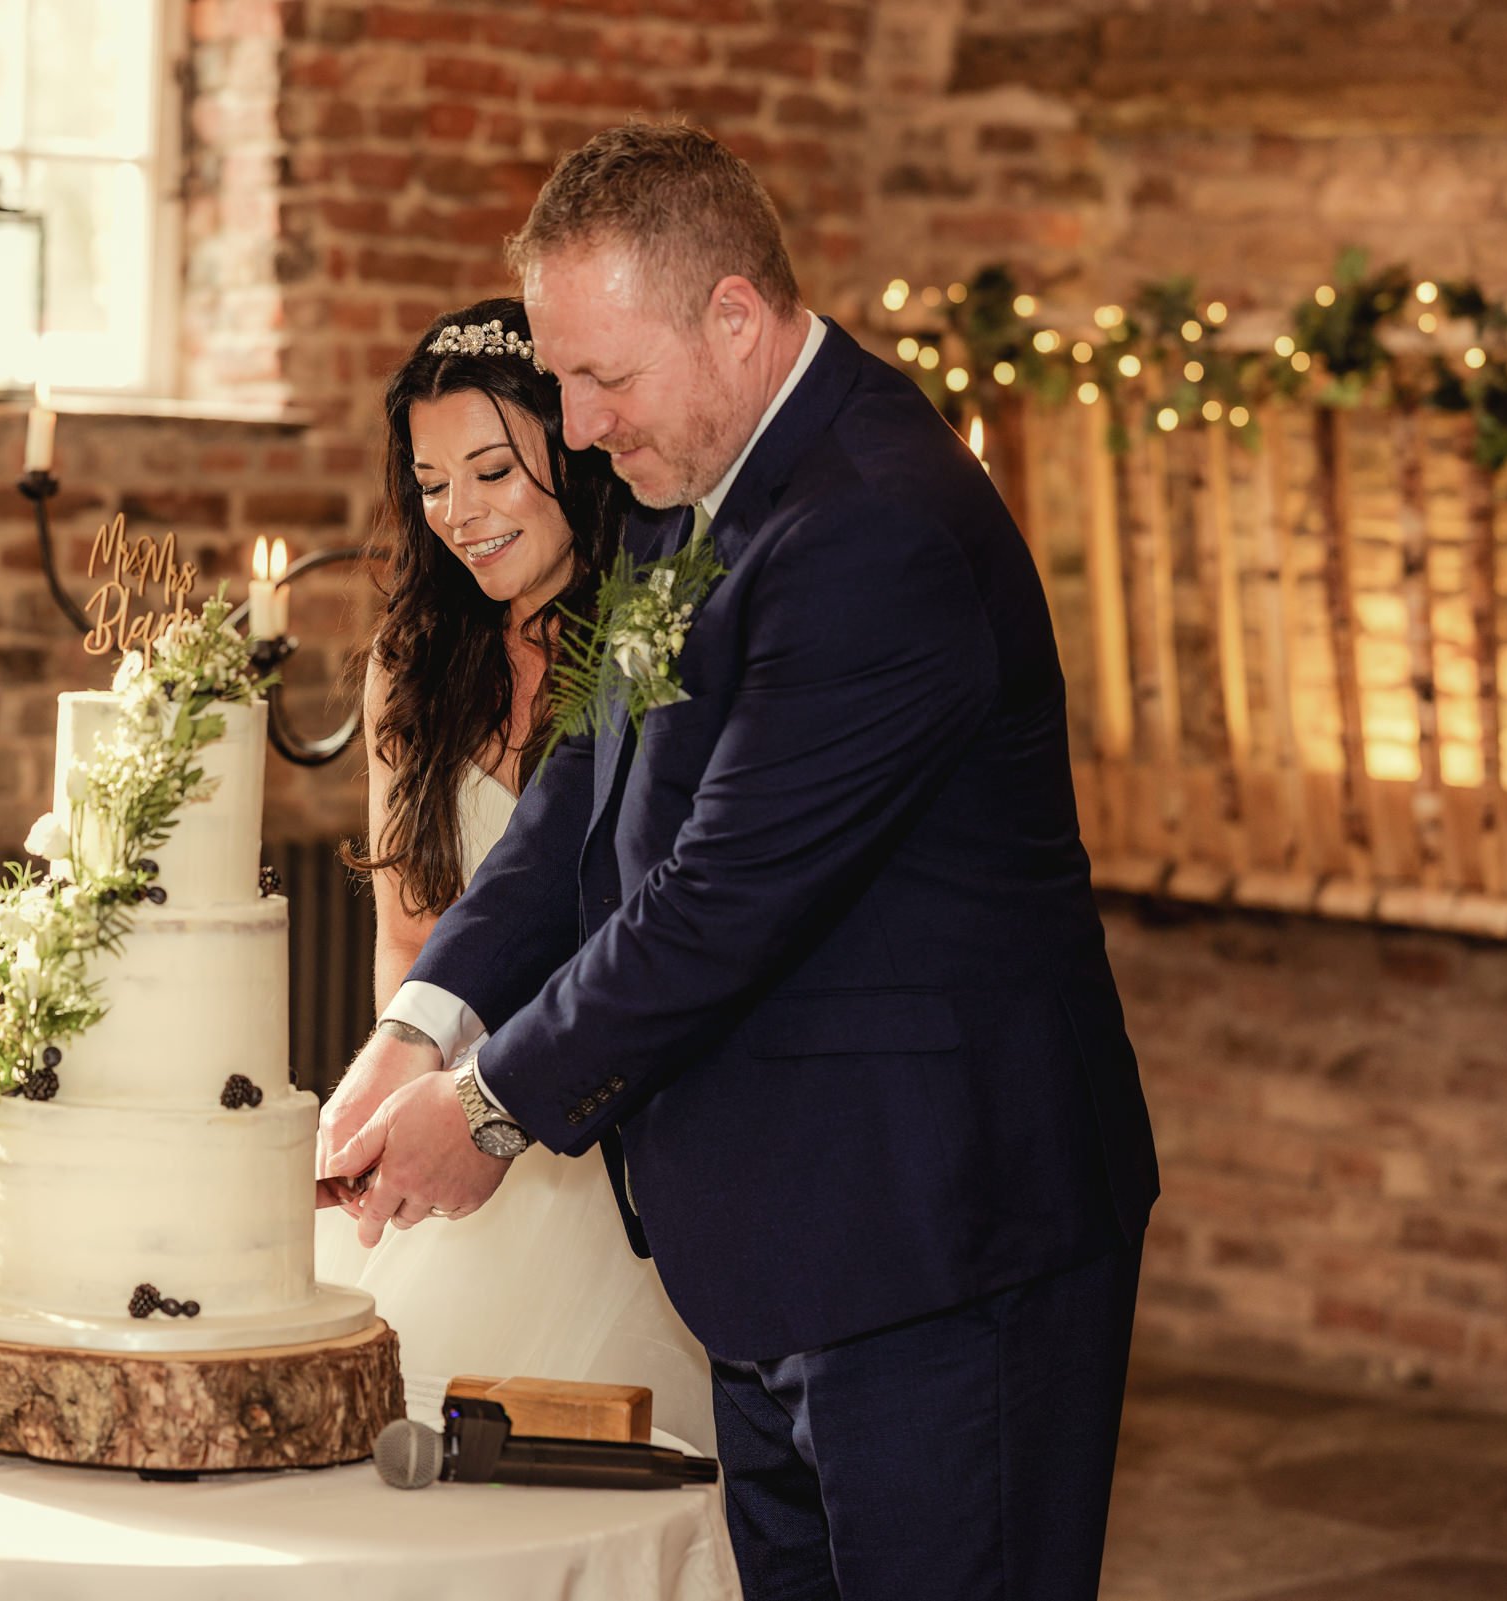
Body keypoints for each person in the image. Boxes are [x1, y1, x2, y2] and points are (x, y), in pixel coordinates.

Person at [318, 123, 1159, 1600]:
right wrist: (419, 1022)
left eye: (602, 379)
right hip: (771, 1248)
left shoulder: (876, 526)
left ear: (734, 316)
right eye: (564, 377)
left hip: (937, 1243)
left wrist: (493, 1109)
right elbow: (586, 790)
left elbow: (718, 899)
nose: (574, 427)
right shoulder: (676, 495)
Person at [311, 296, 717, 1457]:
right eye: (432, 483)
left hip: (615, 1141)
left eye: (492, 470)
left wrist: (504, 1107)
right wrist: (393, 1104)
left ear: (571, 446)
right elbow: (414, 937)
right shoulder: (414, 661)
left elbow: (666, 915)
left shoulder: (649, 634)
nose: (461, 515)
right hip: (445, 1117)